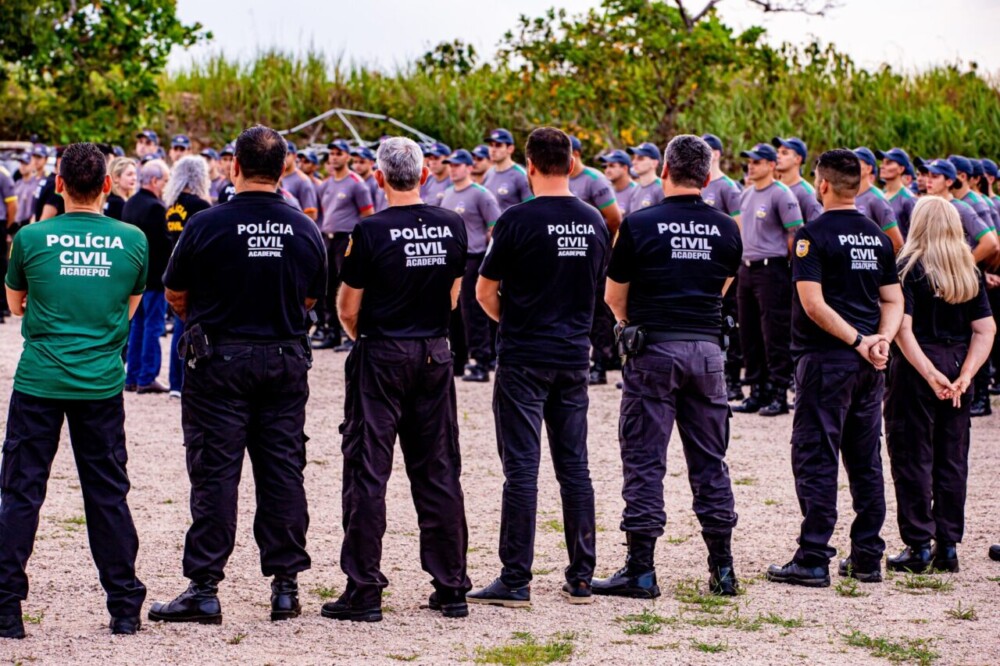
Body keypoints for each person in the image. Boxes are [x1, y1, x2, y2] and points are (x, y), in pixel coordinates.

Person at [149, 124, 326, 625]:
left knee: (214, 473)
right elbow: (310, 297)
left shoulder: (207, 224)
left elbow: (175, 293)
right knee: (283, 472)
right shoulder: (304, 228)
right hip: (284, 360)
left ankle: (205, 588)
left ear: (234, 167)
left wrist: (212, 319)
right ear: (283, 168)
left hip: (219, 361)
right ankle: (286, 587)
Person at [0, 142, 149, 639]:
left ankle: (6, 607)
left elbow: (16, 305)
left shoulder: (30, 237)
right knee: (107, 494)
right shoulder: (132, 239)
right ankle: (124, 606)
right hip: (100, 383)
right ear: (107, 185)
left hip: (39, 379)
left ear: (59, 184)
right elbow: (128, 309)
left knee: (20, 493)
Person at [323, 136, 471, 623]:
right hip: (433, 350)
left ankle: (364, 588)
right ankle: (451, 585)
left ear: (379, 177)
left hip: (383, 350)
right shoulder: (452, 225)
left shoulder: (369, 231)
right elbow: (453, 296)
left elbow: (348, 307)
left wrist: (370, 337)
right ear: (424, 175)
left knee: (368, 469)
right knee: (438, 469)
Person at [594, 135, 743, 599]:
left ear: (664, 171)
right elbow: (722, 287)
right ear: (707, 176)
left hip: (654, 348)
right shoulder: (727, 227)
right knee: (710, 461)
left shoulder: (639, 224)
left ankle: (641, 570)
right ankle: (723, 569)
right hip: (707, 351)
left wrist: (633, 324)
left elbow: (613, 296)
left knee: (644, 459)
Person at [469, 127, 609, 608]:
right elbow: (597, 285)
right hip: (572, 356)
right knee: (575, 467)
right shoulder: (593, 219)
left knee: (522, 469)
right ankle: (582, 576)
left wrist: (518, 320)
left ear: (529, 166)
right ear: (571, 164)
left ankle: (515, 578)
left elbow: (484, 292)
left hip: (524, 355)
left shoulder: (517, 219)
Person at [766, 149, 903, 588]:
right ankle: (867, 557)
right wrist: (881, 340)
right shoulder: (877, 236)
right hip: (869, 365)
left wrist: (862, 341)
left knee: (816, 456)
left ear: (822, 185)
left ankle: (813, 557)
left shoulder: (812, 235)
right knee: (865, 460)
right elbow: (894, 300)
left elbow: (813, 303)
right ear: (859, 185)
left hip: (827, 361)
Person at [884, 196, 995, 574]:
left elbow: (903, 328)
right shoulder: (967, 269)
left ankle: (918, 544)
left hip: (916, 366)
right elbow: (985, 329)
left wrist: (929, 372)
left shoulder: (908, 267)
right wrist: (967, 374)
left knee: (912, 454)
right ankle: (947, 545)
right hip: (959, 360)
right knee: (952, 456)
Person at [734, 142, 803, 416]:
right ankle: (756, 390)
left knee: (773, 332)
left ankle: (778, 391)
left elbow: (794, 234)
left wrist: (785, 266)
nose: (751, 166)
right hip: (747, 267)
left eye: (757, 161)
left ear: (771, 165)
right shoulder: (746, 194)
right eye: (749, 161)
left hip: (771, 268)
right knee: (748, 331)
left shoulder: (781, 194)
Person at [441, 149, 502, 382]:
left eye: (457, 165)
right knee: (453, 311)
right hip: (453, 259)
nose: (453, 169)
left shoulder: (481, 194)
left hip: (474, 257)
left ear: (468, 167)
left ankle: (482, 360)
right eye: (451, 165)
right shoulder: (448, 193)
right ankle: (458, 359)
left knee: (473, 312)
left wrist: (490, 259)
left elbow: (496, 227)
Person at [568, 135, 622, 386]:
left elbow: (614, 219)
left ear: (576, 154)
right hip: (570, 251)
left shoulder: (593, 180)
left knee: (599, 309)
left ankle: (600, 363)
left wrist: (601, 247)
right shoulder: (561, 179)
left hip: (596, 252)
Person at [314, 139, 375, 351]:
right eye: (331, 153)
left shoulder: (356, 184)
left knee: (348, 285)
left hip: (346, 239)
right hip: (328, 238)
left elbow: (367, 215)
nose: (334, 157)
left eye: (339, 153)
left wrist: (361, 243)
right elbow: (323, 213)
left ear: (347, 156)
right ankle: (332, 332)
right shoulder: (326, 184)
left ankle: (350, 334)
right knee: (328, 286)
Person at [163, 155, 212, 398]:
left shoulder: (172, 205)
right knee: (194, 327)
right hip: (196, 271)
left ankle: (175, 382)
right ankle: (188, 380)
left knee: (179, 329)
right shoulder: (200, 205)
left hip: (174, 267)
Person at [122, 159, 172, 394]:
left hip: (134, 277)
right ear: (154, 180)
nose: (166, 185)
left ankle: (132, 376)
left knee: (137, 326)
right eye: (165, 181)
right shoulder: (156, 207)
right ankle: (147, 376)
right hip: (153, 278)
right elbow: (163, 246)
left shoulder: (130, 203)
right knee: (153, 326)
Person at [701, 134, 744, 400]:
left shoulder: (728, 187)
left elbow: (738, 230)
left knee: (729, 320)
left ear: (715, 154)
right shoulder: (698, 185)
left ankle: (734, 380)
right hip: (701, 264)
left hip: (723, 266)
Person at [853, 148, 903, 252]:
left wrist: (876, 259)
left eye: (856, 161)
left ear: (868, 169)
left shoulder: (876, 198)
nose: (850, 165)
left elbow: (897, 244)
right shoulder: (849, 196)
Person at [773, 136, 824, 223]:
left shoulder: (807, 194)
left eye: (784, 153)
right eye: (777, 152)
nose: (778, 156)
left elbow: (817, 227)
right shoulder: (773, 189)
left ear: (797, 159)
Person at [482, 129, 531, 212]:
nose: (493, 150)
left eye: (498, 145)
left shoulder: (521, 175)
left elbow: (532, 208)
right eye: (491, 145)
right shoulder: (488, 173)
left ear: (510, 149)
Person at [876, 148, 918, 238]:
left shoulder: (909, 199)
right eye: (882, 162)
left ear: (901, 169)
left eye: (888, 163)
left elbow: (917, 234)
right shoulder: (878, 196)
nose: (882, 166)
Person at [281, 140, 318, 221]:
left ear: (294, 156)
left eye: (287, 154)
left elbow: (311, 215)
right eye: (281, 154)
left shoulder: (303, 180)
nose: (283, 157)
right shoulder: (276, 177)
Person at [626, 142, 665, 211]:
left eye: (640, 158)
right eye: (634, 158)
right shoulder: (634, 190)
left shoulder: (662, 188)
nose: (634, 162)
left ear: (654, 163)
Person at [599, 149, 637, 217]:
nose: (607, 170)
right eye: (605, 167)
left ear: (625, 168)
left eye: (612, 166)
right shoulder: (605, 191)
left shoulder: (637, 191)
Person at [104, 157, 137, 221]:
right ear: (116, 177)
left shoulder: (129, 201)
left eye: (135, 174)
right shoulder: (116, 204)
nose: (134, 178)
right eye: (129, 174)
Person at [420, 142, 452, 206]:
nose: (433, 162)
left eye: (437, 158)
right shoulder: (429, 180)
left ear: (447, 158)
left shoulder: (453, 182)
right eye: (431, 158)